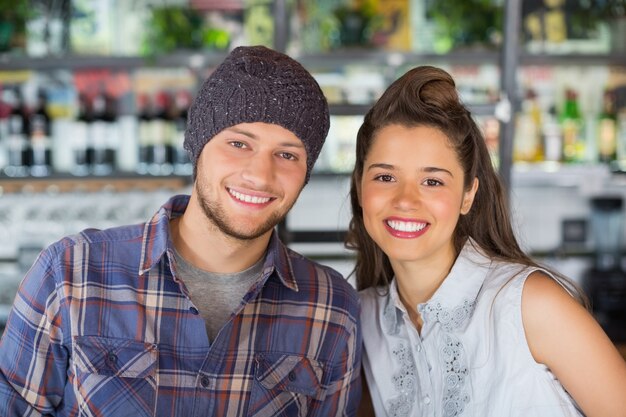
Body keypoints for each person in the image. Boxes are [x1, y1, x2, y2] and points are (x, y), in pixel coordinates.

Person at [0, 45, 362, 417]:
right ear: (198, 145)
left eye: (287, 154)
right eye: (239, 143)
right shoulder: (69, 273)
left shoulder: (332, 308)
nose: (259, 175)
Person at [346, 65, 626, 417]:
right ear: (360, 187)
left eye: (432, 181)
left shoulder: (530, 305)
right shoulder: (361, 319)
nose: (405, 200)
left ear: (467, 195)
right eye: (385, 177)